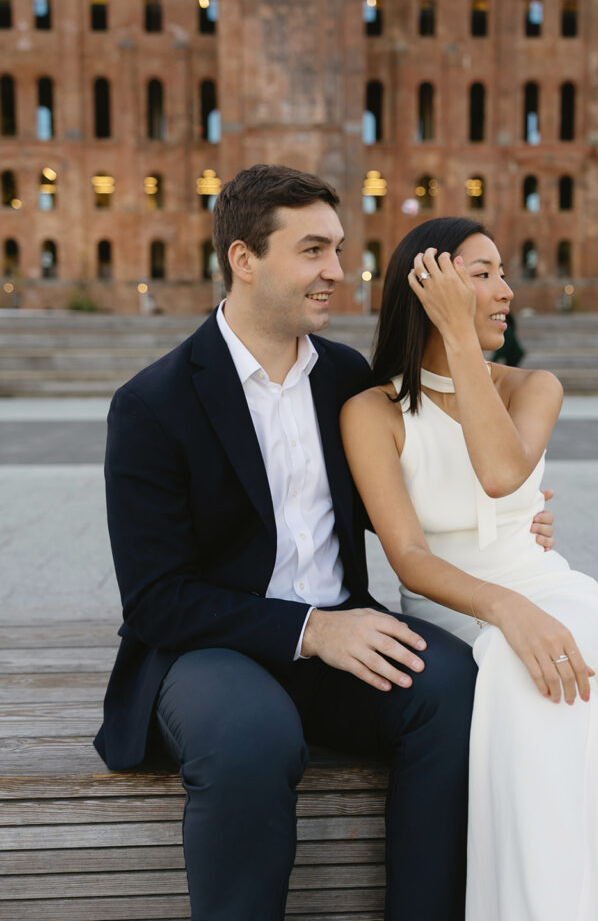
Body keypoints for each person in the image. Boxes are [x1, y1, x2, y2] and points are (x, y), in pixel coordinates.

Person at [94, 168, 556, 921]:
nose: (337, 272)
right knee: (252, 738)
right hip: (208, 651)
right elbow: (155, 600)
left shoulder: (345, 379)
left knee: (451, 689)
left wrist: (515, 519)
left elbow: (405, 503)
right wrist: (311, 630)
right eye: (312, 251)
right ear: (245, 259)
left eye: (337, 250)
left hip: (343, 633)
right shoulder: (154, 402)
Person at [340, 217, 598, 921]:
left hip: (555, 598)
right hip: (456, 617)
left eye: (502, 273)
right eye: (484, 273)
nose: (506, 290)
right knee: (524, 696)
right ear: (428, 286)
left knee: (524, 678)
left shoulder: (532, 386)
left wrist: (460, 338)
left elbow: (497, 473)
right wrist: (503, 609)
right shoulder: (372, 411)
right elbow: (408, 557)